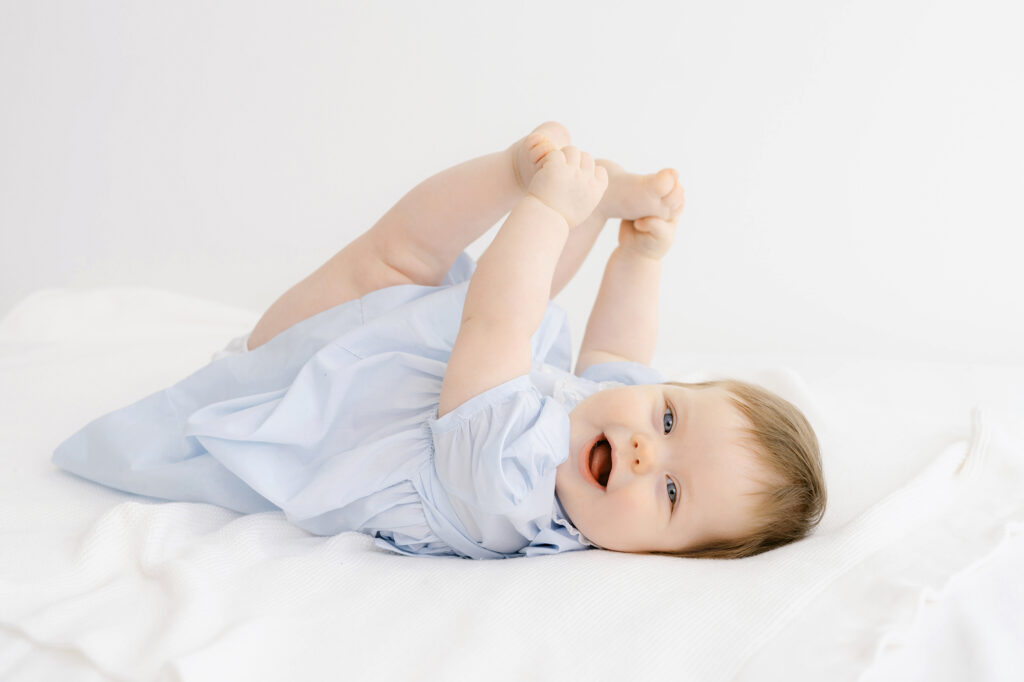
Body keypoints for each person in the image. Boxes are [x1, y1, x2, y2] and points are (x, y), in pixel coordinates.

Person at [53, 122, 826, 560]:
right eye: (667, 420)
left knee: (393, 259)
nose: (643, 453)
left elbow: (496, 320)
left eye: (670, 494)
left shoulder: (510, 487)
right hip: (436, 363)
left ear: (659, 556)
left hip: (314, 396)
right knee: (484, 292)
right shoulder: (609, 416)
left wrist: (547, 212)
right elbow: (621, 352)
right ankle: (551, 184)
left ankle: (535, 184)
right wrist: (640, 256)